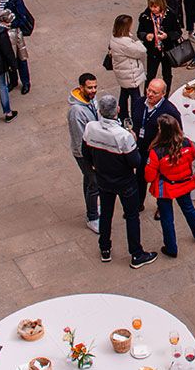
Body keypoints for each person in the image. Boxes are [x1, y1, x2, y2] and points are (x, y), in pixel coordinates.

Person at [83, 93, 157, 269]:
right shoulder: (123, 135)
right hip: (125, 182)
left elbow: (85, 153)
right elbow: (136, 162)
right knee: (132, 216)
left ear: (100, 111)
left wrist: (97, 166)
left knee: (106, 213)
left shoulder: (90, 128)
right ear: (117, 110)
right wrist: (133, 141)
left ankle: (105, 248)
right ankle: (136, 254)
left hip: (103, 179)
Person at [144, 115, 195, 257]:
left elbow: (149, 177)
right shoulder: (187, 143)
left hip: (165, 187)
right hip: (184, 183)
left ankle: (171, 248)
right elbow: (193, 157)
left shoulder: (156, 152)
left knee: (167, 218)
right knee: (188, 208)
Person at [131, 79, 182, 209]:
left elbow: (178, 133)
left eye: (155, 92)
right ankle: (138, 204)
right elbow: (135, 122)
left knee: (160, 182)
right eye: (149, 90)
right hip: (141, 150)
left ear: (163, 94)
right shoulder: (139, 103)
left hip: (159, 154)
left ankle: (161, 208)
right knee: (140, 178)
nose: (150, 94)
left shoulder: (170, 111)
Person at [67, 73, 102, 234]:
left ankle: (92, 207)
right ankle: (92, 216)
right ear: (81, 87)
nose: (93, 90)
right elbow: (80, 138)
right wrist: (92, 160)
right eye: (90, 87)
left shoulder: (91, 100)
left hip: (92, 149)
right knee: (94, 183)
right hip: (85, 154)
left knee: (89, 180)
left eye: (95, 87)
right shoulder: (76, 112)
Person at [0, 0, 35, 94]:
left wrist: (10, 24)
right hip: (3, 34)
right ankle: (13, 81)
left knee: (21, 58)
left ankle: (25, 82)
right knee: (8, 58)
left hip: (15, 34)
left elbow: (22, 17)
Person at [137, 0, 181, 92]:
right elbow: (140, 32)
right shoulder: (145, 16)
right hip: (153, 51)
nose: (153, 9)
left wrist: (167, 36)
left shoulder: (170, 15)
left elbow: (178, 32)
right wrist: (145, 36)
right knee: (150, 75)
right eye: (151, 6)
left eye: (155, 7)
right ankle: (148, 96)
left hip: (167, 51)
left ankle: (165, 95)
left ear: (161, 5)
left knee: (167, 75)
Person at [109, 15, 147, 119]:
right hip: (130, 75)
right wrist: (137, 41)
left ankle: (123, 116)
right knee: (136, 98)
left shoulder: (114, 38)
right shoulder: (125, 43)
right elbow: (141, 51)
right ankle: (136, 118)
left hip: (122, 73)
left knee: (124, 94)